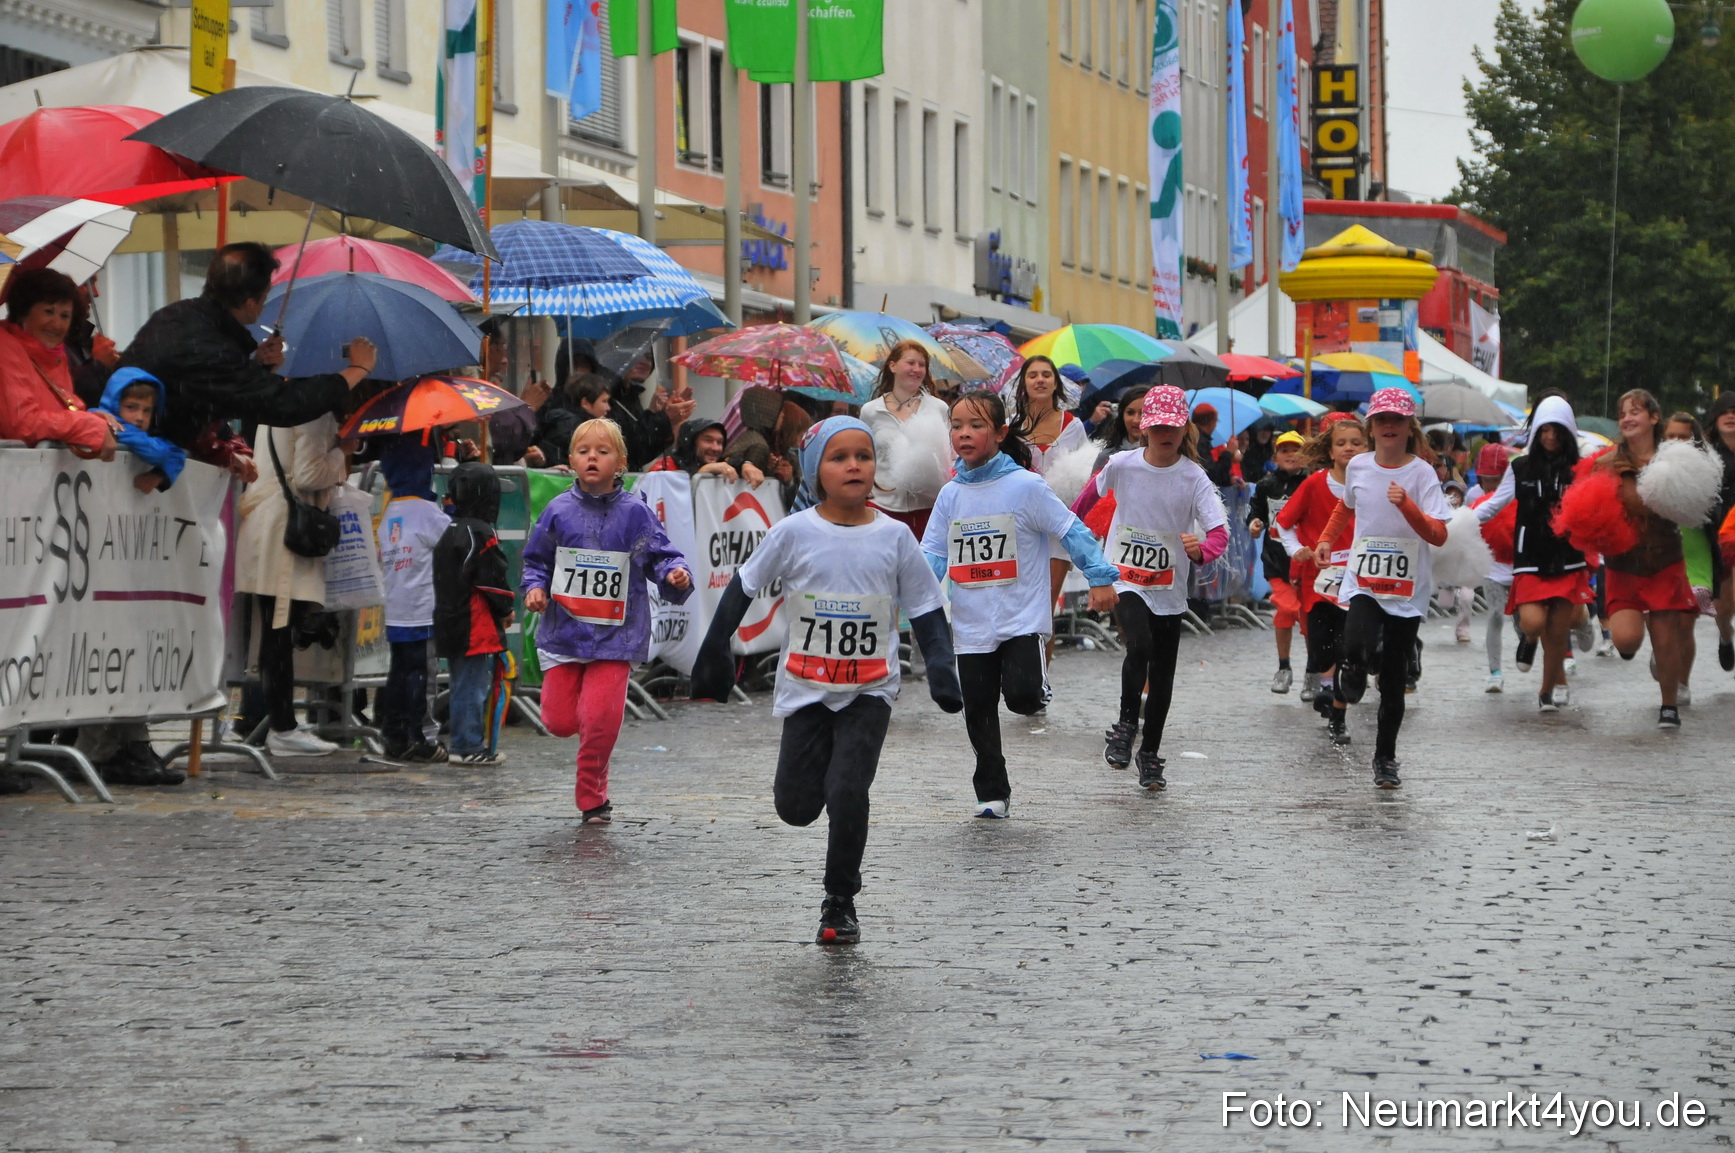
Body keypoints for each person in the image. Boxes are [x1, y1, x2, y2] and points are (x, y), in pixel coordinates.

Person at [690, 416, 962, 944]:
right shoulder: (792, 533)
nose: (854, 465)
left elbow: (927, 607)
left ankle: (840, 902)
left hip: (869, 689)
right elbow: (743, 587)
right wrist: (714, 649)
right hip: (805, 689)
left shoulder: (894, 536)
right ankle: (813, 824)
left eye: (863, 455)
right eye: (840, 457)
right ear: (818, 472)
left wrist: (942, 671)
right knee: (795, 809)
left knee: (847, 791)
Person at [921, 391, 1118, 819]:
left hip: (1021, 619)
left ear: (1000, 432)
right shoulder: (950, 495)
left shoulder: (1027, 486)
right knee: (978, 711)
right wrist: (907, 596)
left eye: (976, 426)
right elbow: (932, 555)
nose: (964, 434)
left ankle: (1038, 682)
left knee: (1025, 698)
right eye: (956, 426)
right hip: (972, 624)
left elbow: (1072, 530)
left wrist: (1102, 577)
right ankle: (992, 790)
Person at [521, 419, 693, 818]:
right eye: (584, 452)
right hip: (565, 632)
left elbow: (662, 555)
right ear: (571, 460)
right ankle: (588, 737)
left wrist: (675, 574)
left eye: (602, 451)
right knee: (560, 722)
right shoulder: (557, 510)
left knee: (598, 719)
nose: (592, 458)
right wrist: (535, 588)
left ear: (621, 463)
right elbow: (536, 560)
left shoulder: (635, 512)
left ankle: (592, 793)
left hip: (617, 637)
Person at [1077, 386, 1229, 790]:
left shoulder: (1194, 477)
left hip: (1169, 587)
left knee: (1162, 675)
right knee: (1138, 645)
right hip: (1124, 576)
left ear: (1184, 430)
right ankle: (1126, 726)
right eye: (1158, 425)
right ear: (1144, 428)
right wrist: (1072, 536)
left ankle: (1150, 753)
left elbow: (1218, 532)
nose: (1165, 433)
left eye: (1173, 427)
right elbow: (1083, 503)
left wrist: (1203, 550)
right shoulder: (1122, 464)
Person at [1311, 389, 1452, 788]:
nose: (1389, 427)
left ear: (1409, 428)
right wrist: (1325, 538)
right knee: (1353, 640)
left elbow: (1438, 535)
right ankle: (1354, 668)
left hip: (1407, 591)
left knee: (1393, 680)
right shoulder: (1358, 466)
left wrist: (1407, 505)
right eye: (1382, 420)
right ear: (1371, 427)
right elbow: (1346, 507)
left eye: (1397, 420)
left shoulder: (1423, 474)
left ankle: (1385, 758)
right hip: (1365, 581)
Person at [118, 242, 376, 452]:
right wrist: (357, 369)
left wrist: (255, 367)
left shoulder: (177, 315)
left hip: (140, 450)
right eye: (264, 297)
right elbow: (284, 404)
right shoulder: (210, 349)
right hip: (141, 461)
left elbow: (210, 388)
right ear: (251, 303)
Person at [235, 414, 354, 757]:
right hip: (283, 532)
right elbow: (308, 474)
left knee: (277, 631)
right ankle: (282, 727)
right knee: (279, 632)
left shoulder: (281, 410)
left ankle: (282, 722)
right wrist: (341, 451)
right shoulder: (313, 414)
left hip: (270, 523)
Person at [1584, 390, 1697, 727]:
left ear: (1653, 417)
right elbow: (1589, 513)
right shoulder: (1604, 465)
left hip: (1665, 560)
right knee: (1626, 640)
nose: (1627, 419)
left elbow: (1694, 508)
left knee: (1665, 635)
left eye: (1635, 412)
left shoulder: (1674, 459)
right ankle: (1652, 653)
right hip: (1623, 566)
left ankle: (1669, 706)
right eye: (1622, 414)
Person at [1473, 396, 1591, 711]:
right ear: (1536, 431)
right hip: (1530, 557)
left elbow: (1596, 507)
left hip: (1567, 557)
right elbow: (1495, 503)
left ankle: (1548, 690)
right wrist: (1459, 522)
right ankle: (1538, 641)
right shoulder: (1520, 467)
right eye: (1544, 430)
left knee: (1556, 629)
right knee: (1532, 623)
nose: (1551, 436)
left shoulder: (1580, 468)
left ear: (1567, 431)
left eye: (1557, 430)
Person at [1275, 413, 1367, 744]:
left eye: (1357, 443)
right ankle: (1328, 687)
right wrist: (1296, 548)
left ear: (1368, 447)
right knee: (1321, 647)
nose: (1349, 449)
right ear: (1329, 451)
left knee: (1349, 645)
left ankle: (1335, 707)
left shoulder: (1373, 482)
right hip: (1320, 582)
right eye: (1341, 443)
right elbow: (1283, 522)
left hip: (1362, 580)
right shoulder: (1314, 484)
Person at [436, 461, 519, 766]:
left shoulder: (449, 528)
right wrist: (506, 608)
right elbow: (491, 577)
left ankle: (462, 740)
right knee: (472, 687)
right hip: (474, 623)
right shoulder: (480, 531)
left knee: (461, 683)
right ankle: (467, 744)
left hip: (448, 618)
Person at [375, 437, 450, 762]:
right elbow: (452, 541)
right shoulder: (426, 510)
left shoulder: (390, 509)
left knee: (399, 673)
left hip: (396, 609)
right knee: (423, 676)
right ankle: (422, 737)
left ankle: (395, 734)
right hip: (422, 611)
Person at [1010, 355, 1093, 636]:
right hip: (1020, 527)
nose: (1040, 380)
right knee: (1021, 607)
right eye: (1033, 375)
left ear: (1056, 383)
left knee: (1045, 608)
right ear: (1024, 383)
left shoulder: (1073, 426)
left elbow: (1086, 477)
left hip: (1058, 526)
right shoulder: (1009, 428)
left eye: (1047, 374)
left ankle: (1042, 678)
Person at [0, 267, 120, 459]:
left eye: (65, 316)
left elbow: (63, 414)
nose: (56, 324)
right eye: (49, 312)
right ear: (23, 312)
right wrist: (86, 425)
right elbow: (22, 424)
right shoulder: (4, 347)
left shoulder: (56, 355)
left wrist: (92, 418)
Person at [859, 340, 953, 539]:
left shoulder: (938, 408)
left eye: (922, 365)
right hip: (882, 506)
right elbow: (863, 456)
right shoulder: (871, 411)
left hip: (929, 509)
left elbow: (951, 457)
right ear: (892, 366)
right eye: (910, 363)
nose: (916, 369)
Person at [1246, 431, 1311, 692]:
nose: (1290, 455)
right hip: (1276, 560)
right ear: (1275, 456)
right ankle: (1284, 668)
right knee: (1286, 610)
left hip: (1306, 562)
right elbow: (1255, 512)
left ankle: (1313, 671)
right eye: (1284, 450)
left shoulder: (1312, 483)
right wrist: (1254, 524)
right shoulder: (1266, 485)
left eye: (1296, 449)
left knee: (1308, 618)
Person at [1469, 442, 1518, 693]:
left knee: (1523, 622)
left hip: (1521, 568)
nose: (1492, 487)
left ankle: (1526, 648)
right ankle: (1495, 672)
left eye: (1497, 480)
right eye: (1487, 480)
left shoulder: (1519, 491)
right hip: (1492, 568)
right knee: (1496, 615)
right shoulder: (1473, 498)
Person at [97, 368, 187, 494]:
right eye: (131, 407)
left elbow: (177, 453)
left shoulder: (143, 434)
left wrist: (158, 476)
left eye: (147, 410)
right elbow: (157, 453)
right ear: (115, 403)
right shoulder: (99, 421)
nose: (140, 417)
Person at [1703, 392, 1735, 674]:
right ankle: (1726, 637)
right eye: (1725, 411)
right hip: (1718, 536)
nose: (1731, 415)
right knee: (1723, 606)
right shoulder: (1707, 454)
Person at [646, 417, 763, 485]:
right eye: (708, 440)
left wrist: (746, 465)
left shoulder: (724, 465)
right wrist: (703, 473)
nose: (715, 448)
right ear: (691, 442)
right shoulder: (665, 466)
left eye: (720, 442)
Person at [1090, 384, 1150, 471]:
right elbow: (1094, 484)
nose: (1136, 420)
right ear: (1122, 415)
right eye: (1130, 413)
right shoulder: (1107, 457)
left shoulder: (1166, 456)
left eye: (1143, 413)